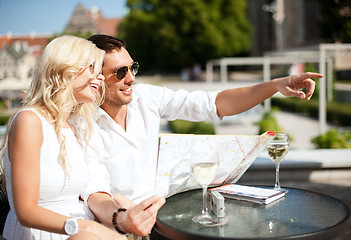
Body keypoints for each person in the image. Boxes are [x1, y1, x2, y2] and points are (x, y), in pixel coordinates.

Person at [86, 34, 323, 236]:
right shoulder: (80, 122)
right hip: (111, 228)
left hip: (161, 219)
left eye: (132, 67)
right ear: (96, 77)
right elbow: (88, 187)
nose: (131, 78)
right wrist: (124, 213)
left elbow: (215, 103)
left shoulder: (146, 97)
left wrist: (275, 85)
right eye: (120, 72)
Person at [0, 35, 133, 240]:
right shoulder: (30, 121)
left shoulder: (74, 128)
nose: (99, 78)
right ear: (67, 68)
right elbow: (25, 211)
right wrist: (87, 228)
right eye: (92, 68)